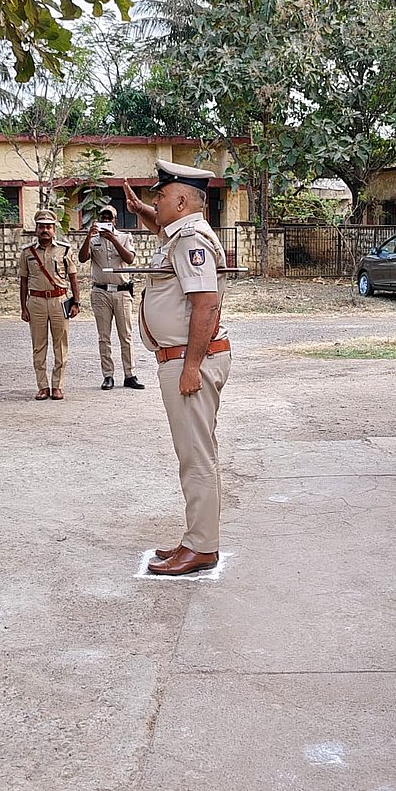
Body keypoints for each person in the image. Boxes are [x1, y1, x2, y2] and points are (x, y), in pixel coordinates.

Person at [124, 159, 230, 577]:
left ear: (182, 200)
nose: (156, 200)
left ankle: (202, 547)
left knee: (196, 458)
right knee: (194, 454)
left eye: (161, 196)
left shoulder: (190, 239)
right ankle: (195, 539)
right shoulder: (183, 236)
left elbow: (206, 302)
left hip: (189, 359)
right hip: (184, 357)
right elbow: (170, 247)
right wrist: (145, 214)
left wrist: (192, 366)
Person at [79, 203, 144, 391]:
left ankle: (130, 374)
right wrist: (88, 236)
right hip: (100, 291)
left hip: (122, 291)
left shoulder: (124, 237)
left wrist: (114, 239)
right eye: (103, 217)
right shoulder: (93, 239)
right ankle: (108, 375)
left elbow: (129, 258)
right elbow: (83, 258)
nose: (106, 220)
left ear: (115, 220)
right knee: (104, 336)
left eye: (110, 217)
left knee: (126, 335)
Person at [20, 208, 80, 400]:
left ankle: (57, 386)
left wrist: (76, 303)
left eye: (48, 227)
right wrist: (23, 307)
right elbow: (23, 280)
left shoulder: (64, 249)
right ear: (36, 229)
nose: (45, 230)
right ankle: (42, 386)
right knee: (39, 346)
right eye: (41, 227)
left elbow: (73, 277)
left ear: (54, 229)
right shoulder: (27, 252)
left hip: (59, 300)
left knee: (60, 345)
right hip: (36, 302)